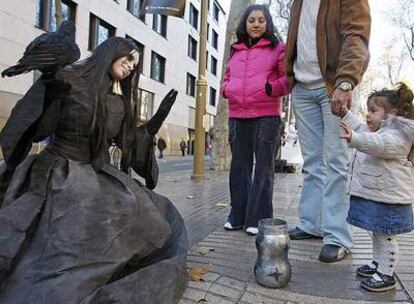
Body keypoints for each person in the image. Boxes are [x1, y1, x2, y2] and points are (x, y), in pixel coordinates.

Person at [0, 37, 188, 303]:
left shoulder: (119, 103)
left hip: (96, 174)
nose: (131, 66)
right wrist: (50, 93)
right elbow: (37, 130)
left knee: (153, 215)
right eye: (128, 58)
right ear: (110, 51)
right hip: (55, 173)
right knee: (55, 241)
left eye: (135, 63)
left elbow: (128, 144)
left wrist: (152, 126)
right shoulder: (68, 80)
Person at [284, 0, 371, 262]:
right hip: (301, 87)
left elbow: (356, 36)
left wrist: (346, 82)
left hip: (332, 86)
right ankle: (311, 224)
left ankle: (337, 236)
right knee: (311, 162)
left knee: (336, 162)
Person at [221, 4, 289, 236]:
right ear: (245, 24)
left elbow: (287, 79)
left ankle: (257, 218)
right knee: (238, 168)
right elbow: (228, 76)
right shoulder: (236, 50)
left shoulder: (278, 48)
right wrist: (225, 88)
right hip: (237, 116)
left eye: (261, 20)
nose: (256, 24)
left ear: (267, 23)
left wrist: (271, 88)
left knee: (262, 170)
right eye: (252, 20)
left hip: (266, 117)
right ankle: (237, 215)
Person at [340, 83, 414, 292]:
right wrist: (346, 115)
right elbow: (363, 130)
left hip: (391, 199)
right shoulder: (380, 130)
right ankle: (377, 263)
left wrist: (354, 139)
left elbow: (377, 144)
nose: (368, 115)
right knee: (377, 232)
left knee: (386, 236)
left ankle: (387, 273)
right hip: (380, 195)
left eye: (373, 111)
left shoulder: (398, 136)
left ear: (393, 113)